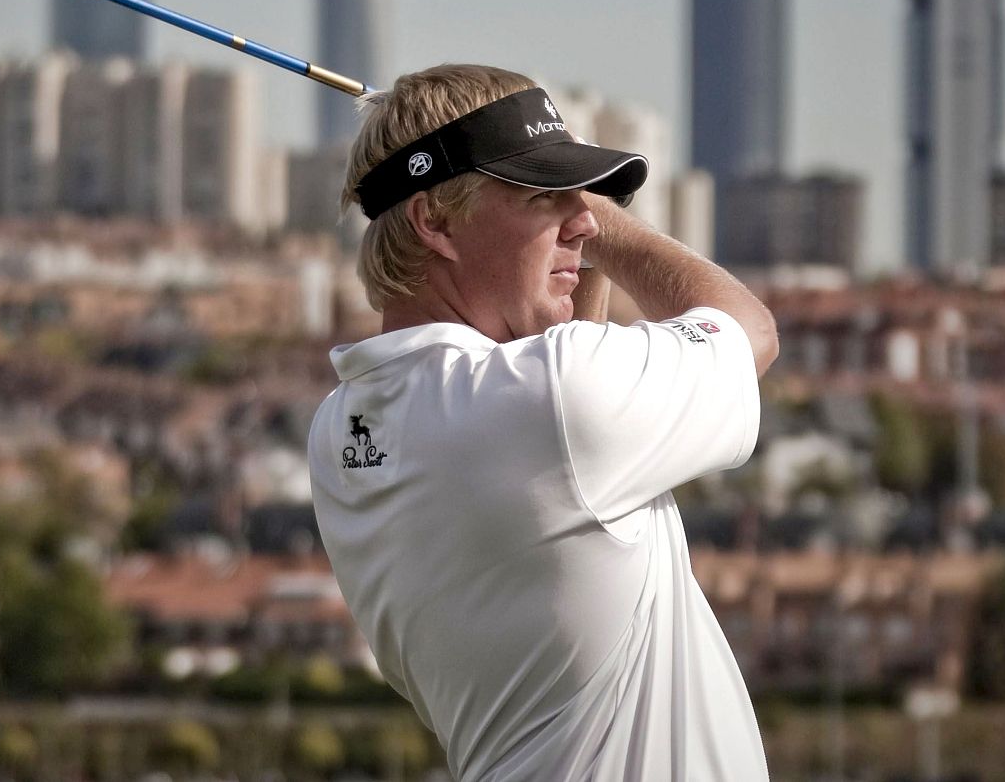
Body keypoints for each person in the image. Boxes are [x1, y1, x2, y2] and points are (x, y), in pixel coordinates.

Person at [307, 64, 780, 781]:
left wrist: (567, 241)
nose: (583, 220)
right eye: (546, 194)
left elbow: (555, 401)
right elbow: (751, 334)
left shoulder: (339, 432)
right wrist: (612, 223)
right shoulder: (554, 402)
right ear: (433, 219)